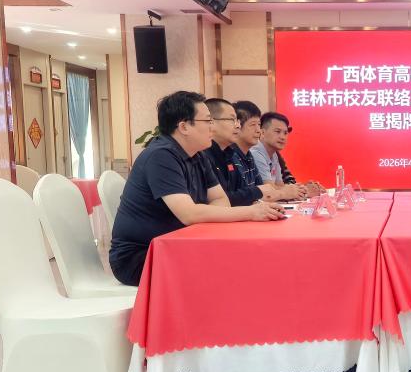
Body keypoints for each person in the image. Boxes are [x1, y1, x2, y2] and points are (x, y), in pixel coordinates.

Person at [108, 91, 285, 287]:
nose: (212, 127)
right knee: (232, 268)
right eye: (207, 121)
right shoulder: (161, 156)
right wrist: (251, 212)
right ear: (184, 127)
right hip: (142, 255)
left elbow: (221, 200)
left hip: (179, 244)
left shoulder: (198, 155)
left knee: (241, 260)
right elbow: (188, 214)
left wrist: (204, 213)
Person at [203, 99, 292, 205]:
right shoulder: (205, 155)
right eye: (232, 120)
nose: (237, 126)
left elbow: (259, 191)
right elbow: (226, 200)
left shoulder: (229, 154)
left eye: (259, 125)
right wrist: (276, 194)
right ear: (211, 122)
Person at [232, 100, 305, 202]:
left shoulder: (250, 156)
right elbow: (263, 192)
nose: (258, 130)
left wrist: (299, 190)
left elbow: (269, 189)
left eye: (258, 124)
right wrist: (288, 192)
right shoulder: (247, 154)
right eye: (253, 125)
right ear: (237, 126)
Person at [251, 112, 323, 197]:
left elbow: (280, 185)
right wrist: (304, 191)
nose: (283, 137)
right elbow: (269, 189)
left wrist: (302, 188)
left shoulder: (274, 154)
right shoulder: (256, 153)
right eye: (277, 132)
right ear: (262, 132)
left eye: (285, 133)